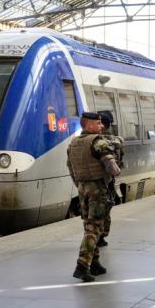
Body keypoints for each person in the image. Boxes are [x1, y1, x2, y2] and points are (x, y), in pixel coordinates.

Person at [67, 112, 121, 282]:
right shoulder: (97, 142)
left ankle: (95, 263)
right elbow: (111, 165)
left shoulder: (73, 143)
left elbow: (70, 168)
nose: (101, 126)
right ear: (89, 125)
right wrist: (116, 172)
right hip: (98, 188)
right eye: (98, 123)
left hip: (82, 188)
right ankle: (82, 266)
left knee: (89, 225)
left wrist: (79, 184)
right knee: (94, 227)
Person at [96, 112, 124, 247]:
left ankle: (93, 235)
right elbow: (119, 162)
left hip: (95, 181)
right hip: (109, 180)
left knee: (93, 212)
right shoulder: (116, 141)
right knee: (106, 210)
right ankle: (101, 236)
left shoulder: (95, 141)